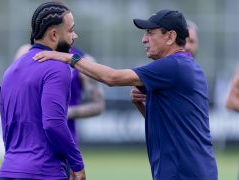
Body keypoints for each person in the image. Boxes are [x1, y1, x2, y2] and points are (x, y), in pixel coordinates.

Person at [33, 10, 218, 180]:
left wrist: (69, 58)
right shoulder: (182, 67)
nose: (144, 39)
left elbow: (112, 78)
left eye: (150, 33)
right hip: (189, 170)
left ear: (170, 37)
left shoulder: (174, 65)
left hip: (185, 173)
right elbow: (168, 125)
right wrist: (141, 106)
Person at [0, 2, 86, 180]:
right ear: (54, 34)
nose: (74, 35)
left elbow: (6, 126)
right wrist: (77, 163)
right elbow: (53, 123)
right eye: (71, 30)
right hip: (44, 172)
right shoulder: (57, 68)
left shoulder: (11, 69)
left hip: (8, 170)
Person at [14, 44, 105, 143]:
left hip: (61, 140)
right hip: (29, 137)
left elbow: (99, 105)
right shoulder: (26, 52)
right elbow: (14, 91)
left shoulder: (83, 60)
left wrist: (64, 112)